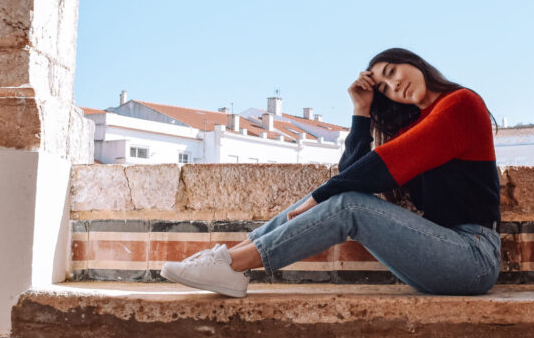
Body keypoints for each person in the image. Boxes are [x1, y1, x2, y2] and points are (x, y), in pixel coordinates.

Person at [160, 47, 501, 297]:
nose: (394, 87)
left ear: (414, 63)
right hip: (442, 254)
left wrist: (322, 197)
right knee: (344, 196)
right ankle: (227, 259)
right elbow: (354, 171)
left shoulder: (461, 104)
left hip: (473, 256)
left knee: (347, 203)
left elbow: (383, 166)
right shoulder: (413, 125)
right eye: (383, 87)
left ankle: (231, 264)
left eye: (393, 72)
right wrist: (361, 110)